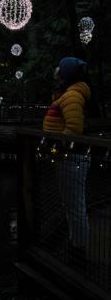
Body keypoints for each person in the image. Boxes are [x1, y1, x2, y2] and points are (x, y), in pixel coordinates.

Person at [43, 57, 91, 256]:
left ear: (66, 74)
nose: (56, 74)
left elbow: (73, 129)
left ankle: (79, 249)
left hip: (71, 158)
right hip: (67, 158)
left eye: (59, 71)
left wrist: (59, 146)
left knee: (75, 205)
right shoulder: (67, 94)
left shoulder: (72, 95)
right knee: (71, 204)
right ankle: (76, 242)